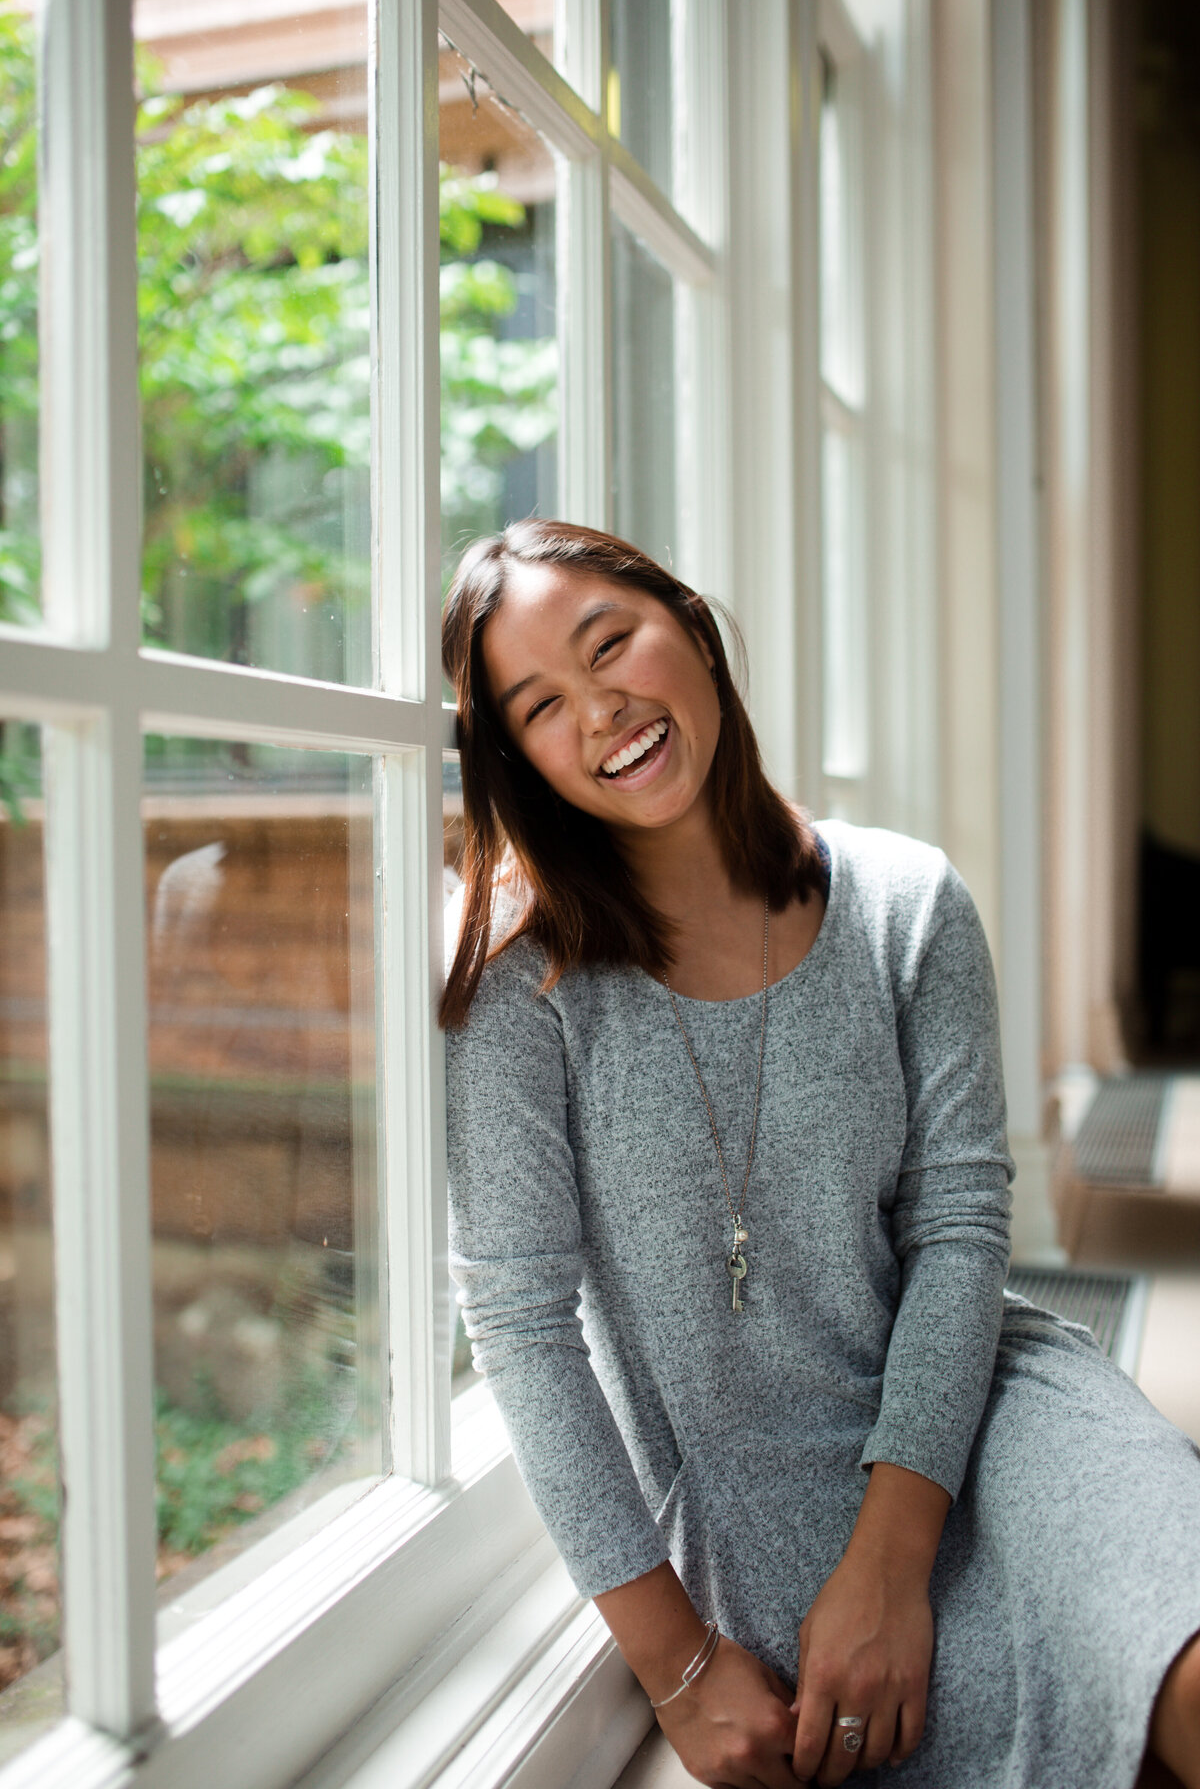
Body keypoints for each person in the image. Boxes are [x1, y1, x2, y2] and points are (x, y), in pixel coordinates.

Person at [440, 518, 1200, 1789]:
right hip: (747, 1502)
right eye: (542, 705)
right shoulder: (522, 993)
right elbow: (520, 1326)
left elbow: (960, 1229)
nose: (601, 708)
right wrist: (676, 1665)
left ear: (688, 621)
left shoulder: (909, 901)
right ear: (520, 760)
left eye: (611, 642)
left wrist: (891, 1568)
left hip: (987, 1412)